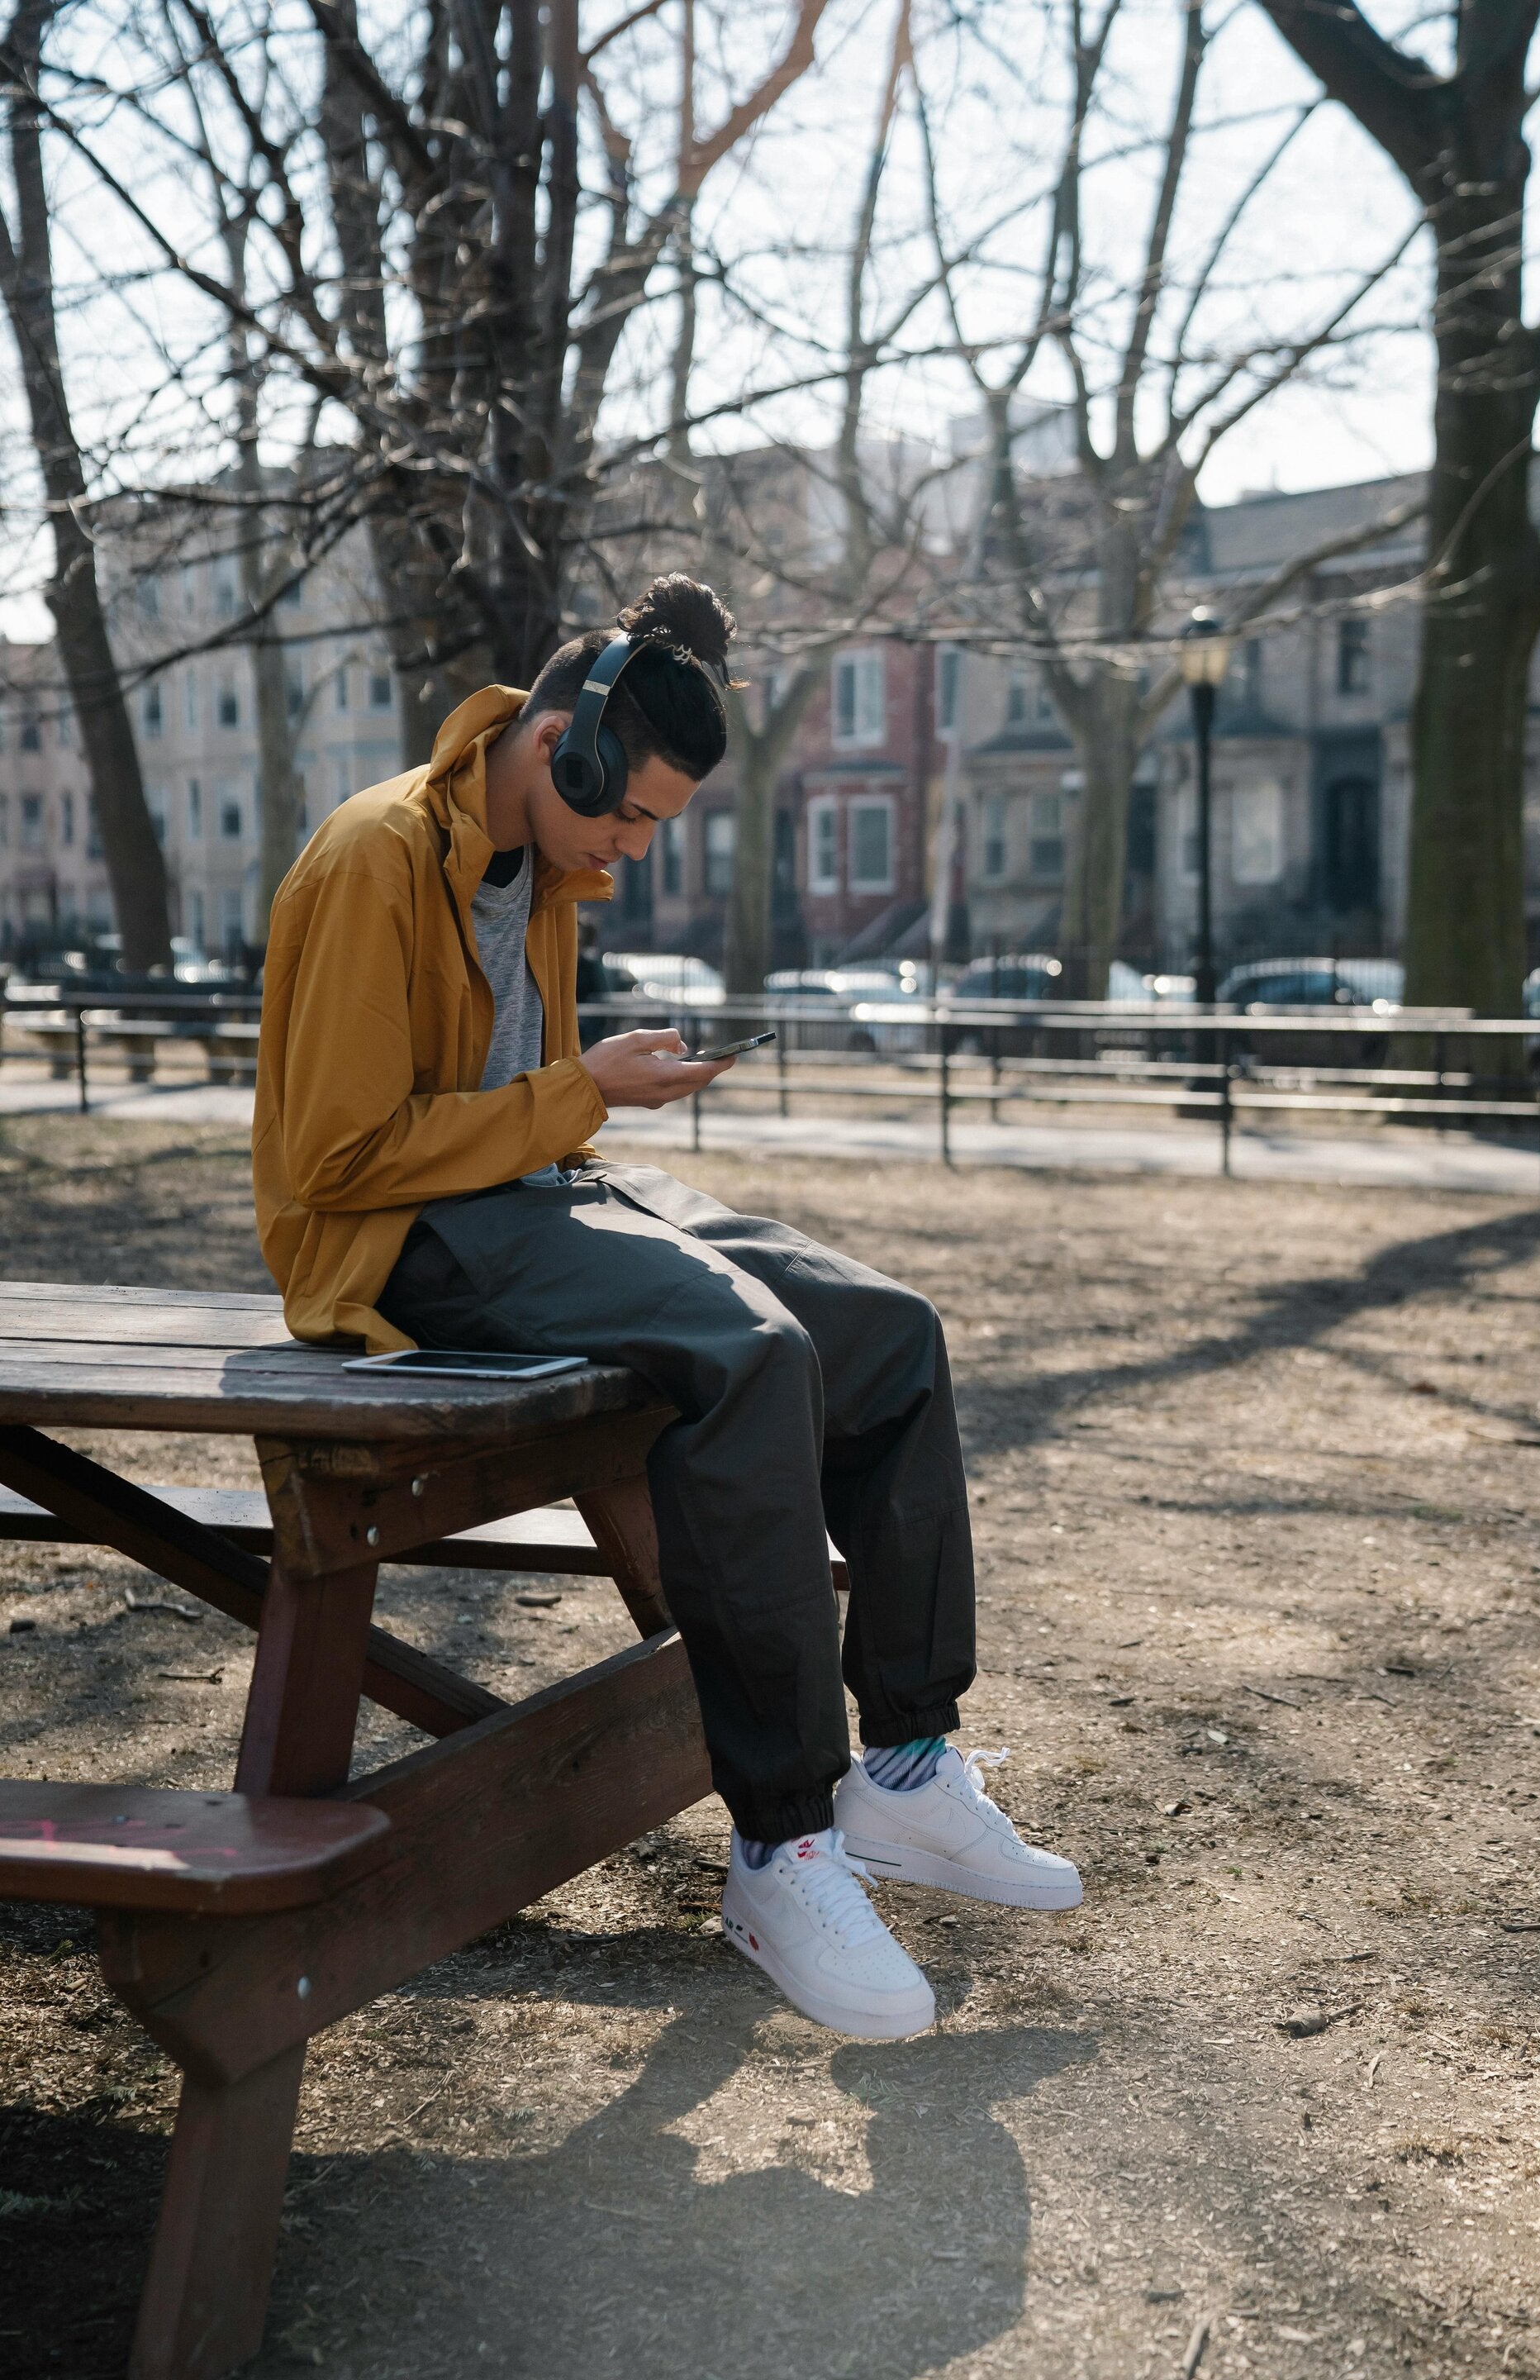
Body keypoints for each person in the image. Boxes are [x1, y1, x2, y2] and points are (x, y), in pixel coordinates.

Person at [254, 574, 1082, 2041]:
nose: (628, 856)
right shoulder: (376, 857)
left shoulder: (539, 866)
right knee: (748, 1355)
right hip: (395, 1244)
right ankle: (781, 1845)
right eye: (624, 817)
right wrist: (584, 1090)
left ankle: (901, 1772)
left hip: (533, 1188)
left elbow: (527, 1110)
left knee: (888, 1331)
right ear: (559, 745)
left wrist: (592, 1097)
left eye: (652, 829)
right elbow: (334, 1154)